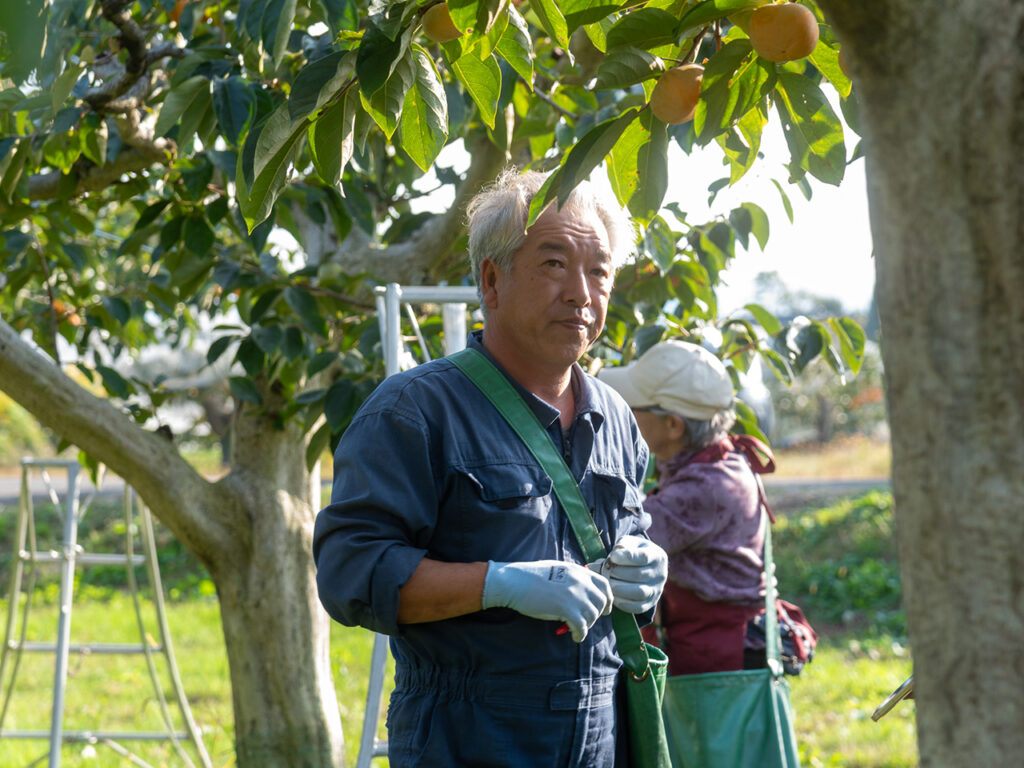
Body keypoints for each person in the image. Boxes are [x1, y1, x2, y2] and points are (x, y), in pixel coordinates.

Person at [313, 168, 668, 767]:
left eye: (599, 271)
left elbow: (627, 531)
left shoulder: (613, 416)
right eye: (555, 263)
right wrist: (497, 583)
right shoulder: (416, 411)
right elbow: (351, 571)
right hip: (471, 735)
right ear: (491, 280)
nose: (582, 293)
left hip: (600, 733)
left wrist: (645, 568)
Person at [598, 339, 776, 676]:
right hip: (711, 642)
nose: (624, 412)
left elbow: (619, 543)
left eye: (633, 407)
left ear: (673, 426)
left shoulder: (701, 491)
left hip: (715, 659)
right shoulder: (720, 464)